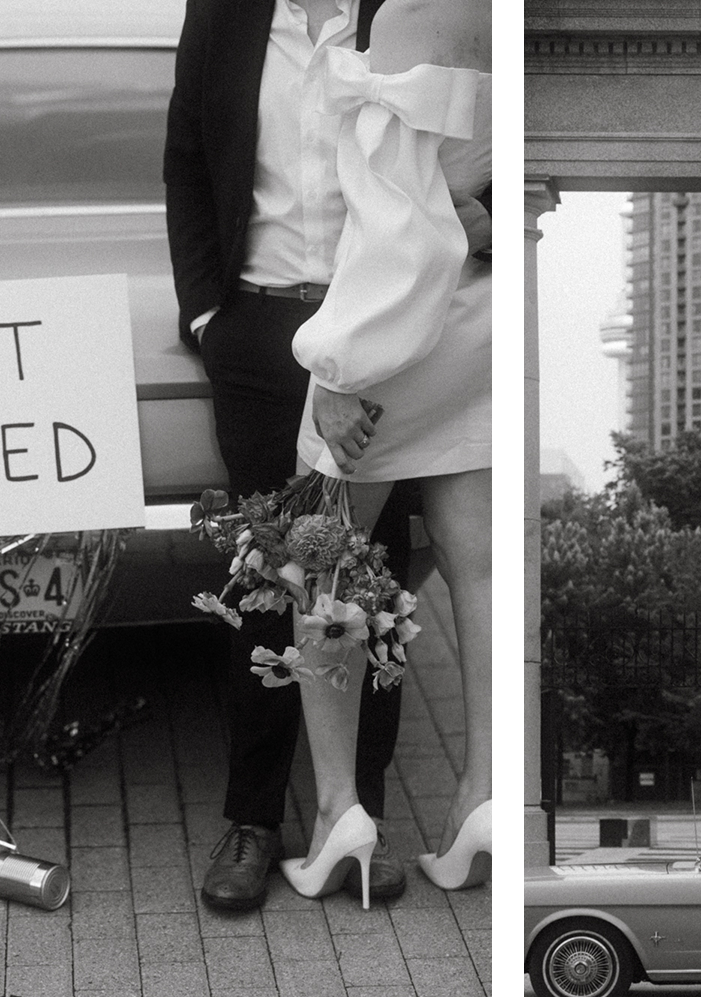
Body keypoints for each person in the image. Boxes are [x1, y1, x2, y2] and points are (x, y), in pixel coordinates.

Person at [165, 0, 419, 912]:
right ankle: (252, 819)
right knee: (268, 578)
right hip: (260, 324)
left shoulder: (403, 14)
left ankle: (353, 815)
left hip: (378, 327)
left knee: (365, 582)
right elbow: (187, 161)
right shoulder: (223, 13)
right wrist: (208, 314)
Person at [274, 0, 493, 903]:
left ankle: (339, 814)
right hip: (486, 316)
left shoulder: (417, 16)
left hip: (398, 333)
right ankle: (482, 800)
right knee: (480, 571)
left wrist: (337, 367)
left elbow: (397, 234)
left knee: (320, 571)